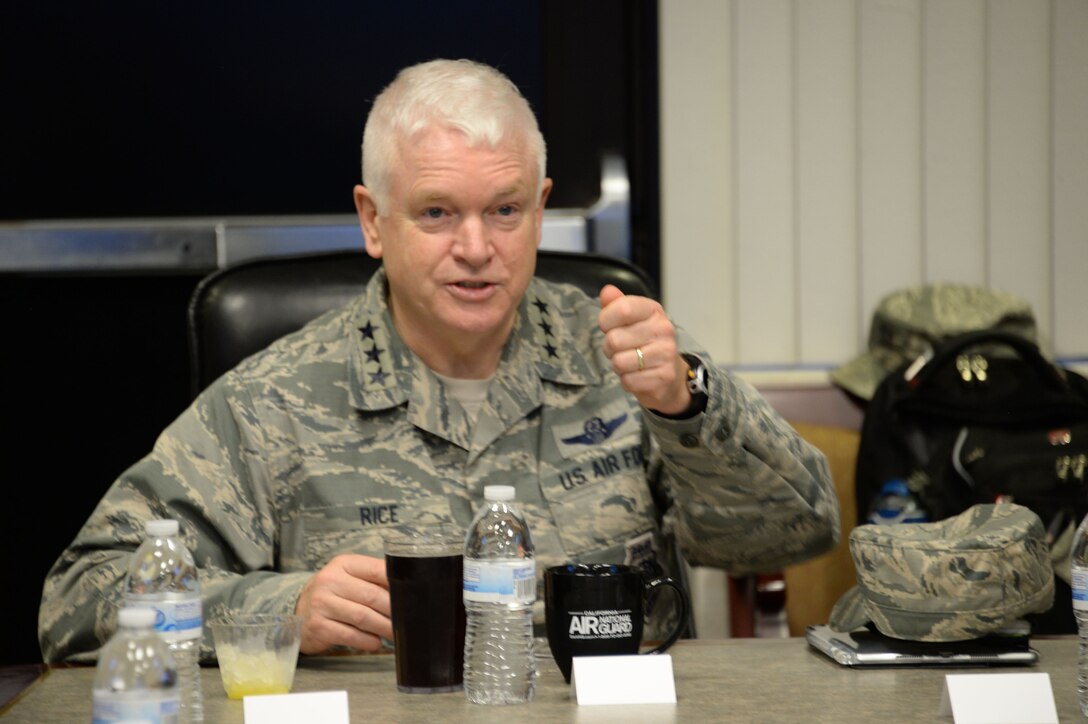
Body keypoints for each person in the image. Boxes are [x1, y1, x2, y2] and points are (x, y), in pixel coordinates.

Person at [39, 59, 840, 663]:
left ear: (540, 209)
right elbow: (78, 601)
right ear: (373, 219)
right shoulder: (274, 402)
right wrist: (278, 609)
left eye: (505, 210)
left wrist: (689, 406)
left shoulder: (622, 362)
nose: (476, 249)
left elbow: (794, 535)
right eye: (436, 213)